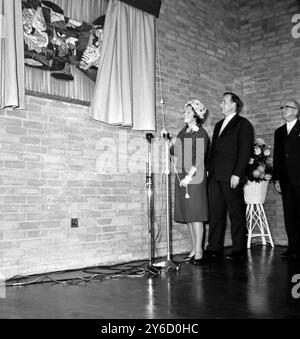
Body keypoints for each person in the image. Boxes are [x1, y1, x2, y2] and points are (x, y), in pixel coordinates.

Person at [205, 92, 254, 261]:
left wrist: (237, 174)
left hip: (231, 175)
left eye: (224, 102)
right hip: (216, 175)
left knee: (236, 213)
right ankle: (214, 248)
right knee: (216, 212)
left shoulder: (243, 124)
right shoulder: (219, 125)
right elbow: (213, 150)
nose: (221, 105)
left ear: (234, 104)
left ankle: (238, 249)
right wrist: (208, 170)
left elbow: (245, 151)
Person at [171, 99, 210, 265]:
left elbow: (199, 158)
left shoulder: (201, 133)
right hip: (182, 175)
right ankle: (193, 248)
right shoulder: (183, 132)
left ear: (196, 114)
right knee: (188, 214)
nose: (184, 114)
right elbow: (176, 151)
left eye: (187, 112)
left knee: (196, 214)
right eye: (184, 112)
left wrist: (189, 177)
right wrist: (171, 143)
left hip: (195, 177)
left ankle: (200, 250)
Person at [273, 100, 300, 260]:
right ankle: (293, 248)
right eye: (282, 107)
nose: (283, 109)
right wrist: (276, 177)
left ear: (296, 111)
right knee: (289, 214)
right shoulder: (279, 132)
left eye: (287, 107)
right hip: (285, 180)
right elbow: (277, 156)